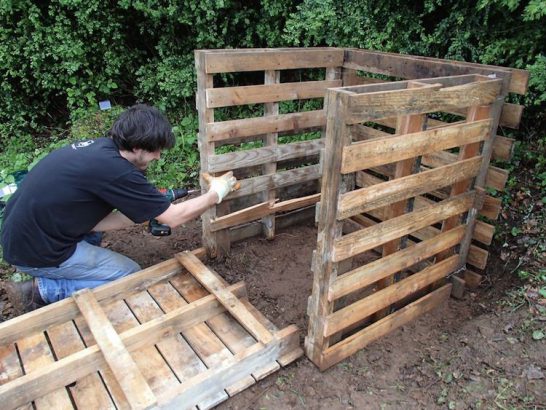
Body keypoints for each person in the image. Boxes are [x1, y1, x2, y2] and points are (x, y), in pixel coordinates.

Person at [0, 104, 237, 313]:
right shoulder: (117, 172)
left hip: (25, 234)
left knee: (96, 231)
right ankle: (41, 290)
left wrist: (144, 214)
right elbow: (174, 218)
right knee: (129, 275)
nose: (158, 156)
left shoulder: (103, 150)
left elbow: (100, 220)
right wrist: (216, 193)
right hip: (37, 251)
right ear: (136, 146)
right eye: (154, 149)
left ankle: (67, 268)